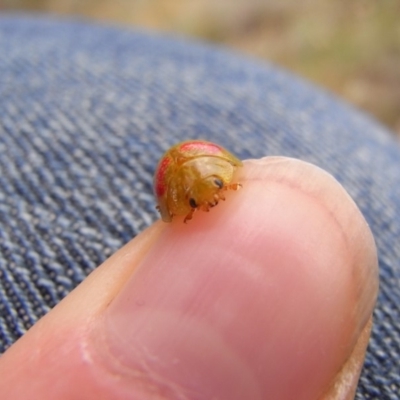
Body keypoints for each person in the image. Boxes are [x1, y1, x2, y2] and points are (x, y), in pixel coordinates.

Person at [0, 16, 398, 399]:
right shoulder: (185, 186)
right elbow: (184, 200)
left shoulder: (219, 171)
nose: (214, 198)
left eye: (218, 188)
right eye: (202, 197)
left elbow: (222, 175)